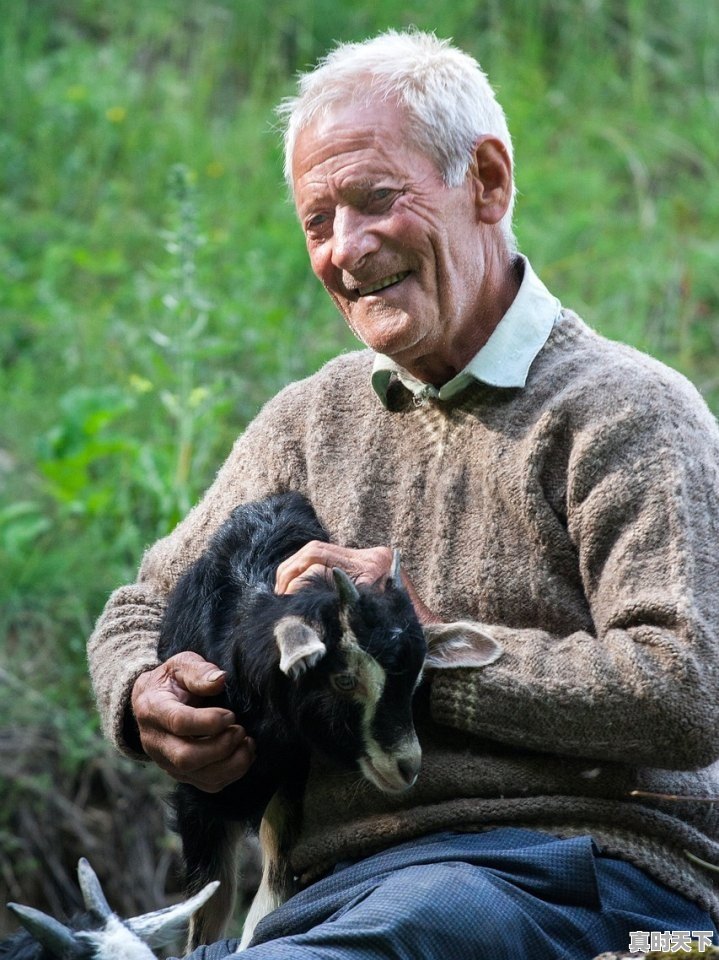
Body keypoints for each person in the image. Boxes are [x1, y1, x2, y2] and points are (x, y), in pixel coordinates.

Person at [88, 29, 719, 960]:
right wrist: (150, 695)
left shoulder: (625, 412)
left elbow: (685, 689)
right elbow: (139, 606)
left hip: (575, 867)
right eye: (316, 222)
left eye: (375, 200)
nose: (347, 248)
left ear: (488, 182)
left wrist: (420, 658)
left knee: (409, 922)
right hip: (340, 898)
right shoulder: (307, 421)